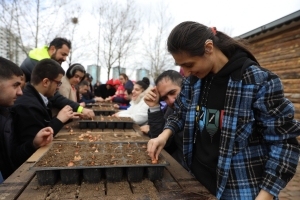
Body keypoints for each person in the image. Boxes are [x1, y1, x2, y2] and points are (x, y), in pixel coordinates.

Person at [147, 22, 300, 199]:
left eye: (189, 64)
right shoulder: (194, 81)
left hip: (240, 189)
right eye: (182, 67)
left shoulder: (257, 81)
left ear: (208, 48)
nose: (186, 73)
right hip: (196, 181)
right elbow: (181, 112)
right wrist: (164, 135)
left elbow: (284, 143)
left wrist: (265, 195)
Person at [11, 59, 77, 168]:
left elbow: (42, 126)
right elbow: (36, 145)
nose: (59, 87)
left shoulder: (35, 98)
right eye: (58, 82)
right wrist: (59, 120)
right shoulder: (28, 106)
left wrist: (66, 117)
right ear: (46, 82)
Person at [0, 57, 53, 182]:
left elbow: (12, 159)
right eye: (15, 85)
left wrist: (33, 144)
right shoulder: (23, 107)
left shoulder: (5, 117)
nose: (20, 92)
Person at [20, 37, 94, 118]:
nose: (65, 59)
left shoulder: (38, 57)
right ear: (52, 49)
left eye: (66, 56)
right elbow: (55, 97)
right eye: (63, 54)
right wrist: (80, 109)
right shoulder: (42, 66)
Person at [143, 70, 186, 169]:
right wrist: (154, 107)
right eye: (164, 98)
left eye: (172, 92)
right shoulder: (172, 109)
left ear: (184, 86)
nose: (170, 100)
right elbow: (163, 143)